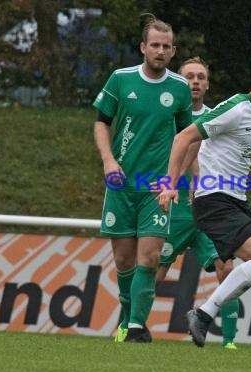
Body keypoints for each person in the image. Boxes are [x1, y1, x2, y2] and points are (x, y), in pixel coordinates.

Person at [156, 54, 251, 351]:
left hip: (234, 201)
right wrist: (170, 184)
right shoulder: (237, 109)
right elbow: (185, 137)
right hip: (214, 201)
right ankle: (203, 314)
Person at [93, 15, 192, 343]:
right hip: (121, 185)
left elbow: (188, 137)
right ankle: (126, 318)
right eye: (155, 45)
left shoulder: (179, 88)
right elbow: (101, 122)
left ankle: (137, 326)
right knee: (123, 260)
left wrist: (173, 180)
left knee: (149, 257)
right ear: (143, 48)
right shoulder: (121, 79)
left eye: (166, 46)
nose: (160, 51)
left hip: (156, 189)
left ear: (173, 50)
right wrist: (109, 160)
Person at [156, 57, 240, 349]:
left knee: (226, 266)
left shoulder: (219, 116)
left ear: (207, 83)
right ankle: (131, 324)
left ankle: (229, 340)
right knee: (154, 268)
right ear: (179, 81)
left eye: (200, 77)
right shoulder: (166, 115)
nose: (195, 81)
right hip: (174, 205)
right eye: (189, 76)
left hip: (210, 205)